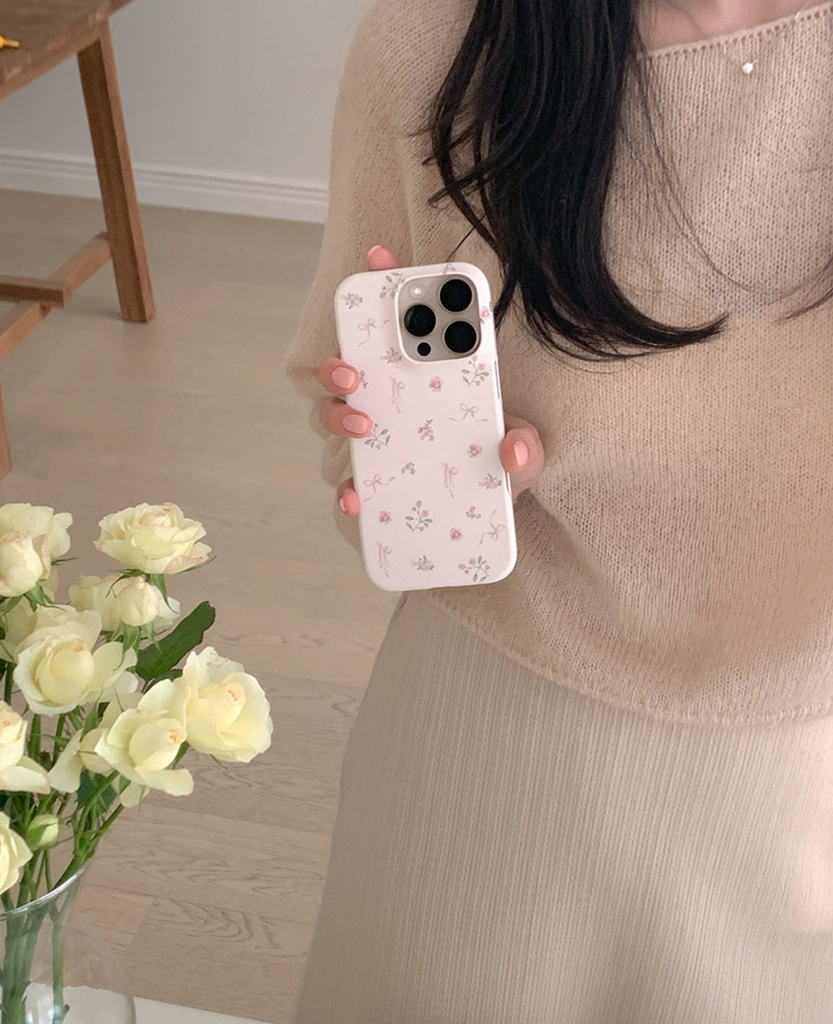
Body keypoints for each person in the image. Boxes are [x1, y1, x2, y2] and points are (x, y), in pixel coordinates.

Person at [284, 0, 833, 1018]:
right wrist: (403, 461)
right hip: (487, 744)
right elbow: (368, 466)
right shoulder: (432, 41)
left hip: (798, 789)